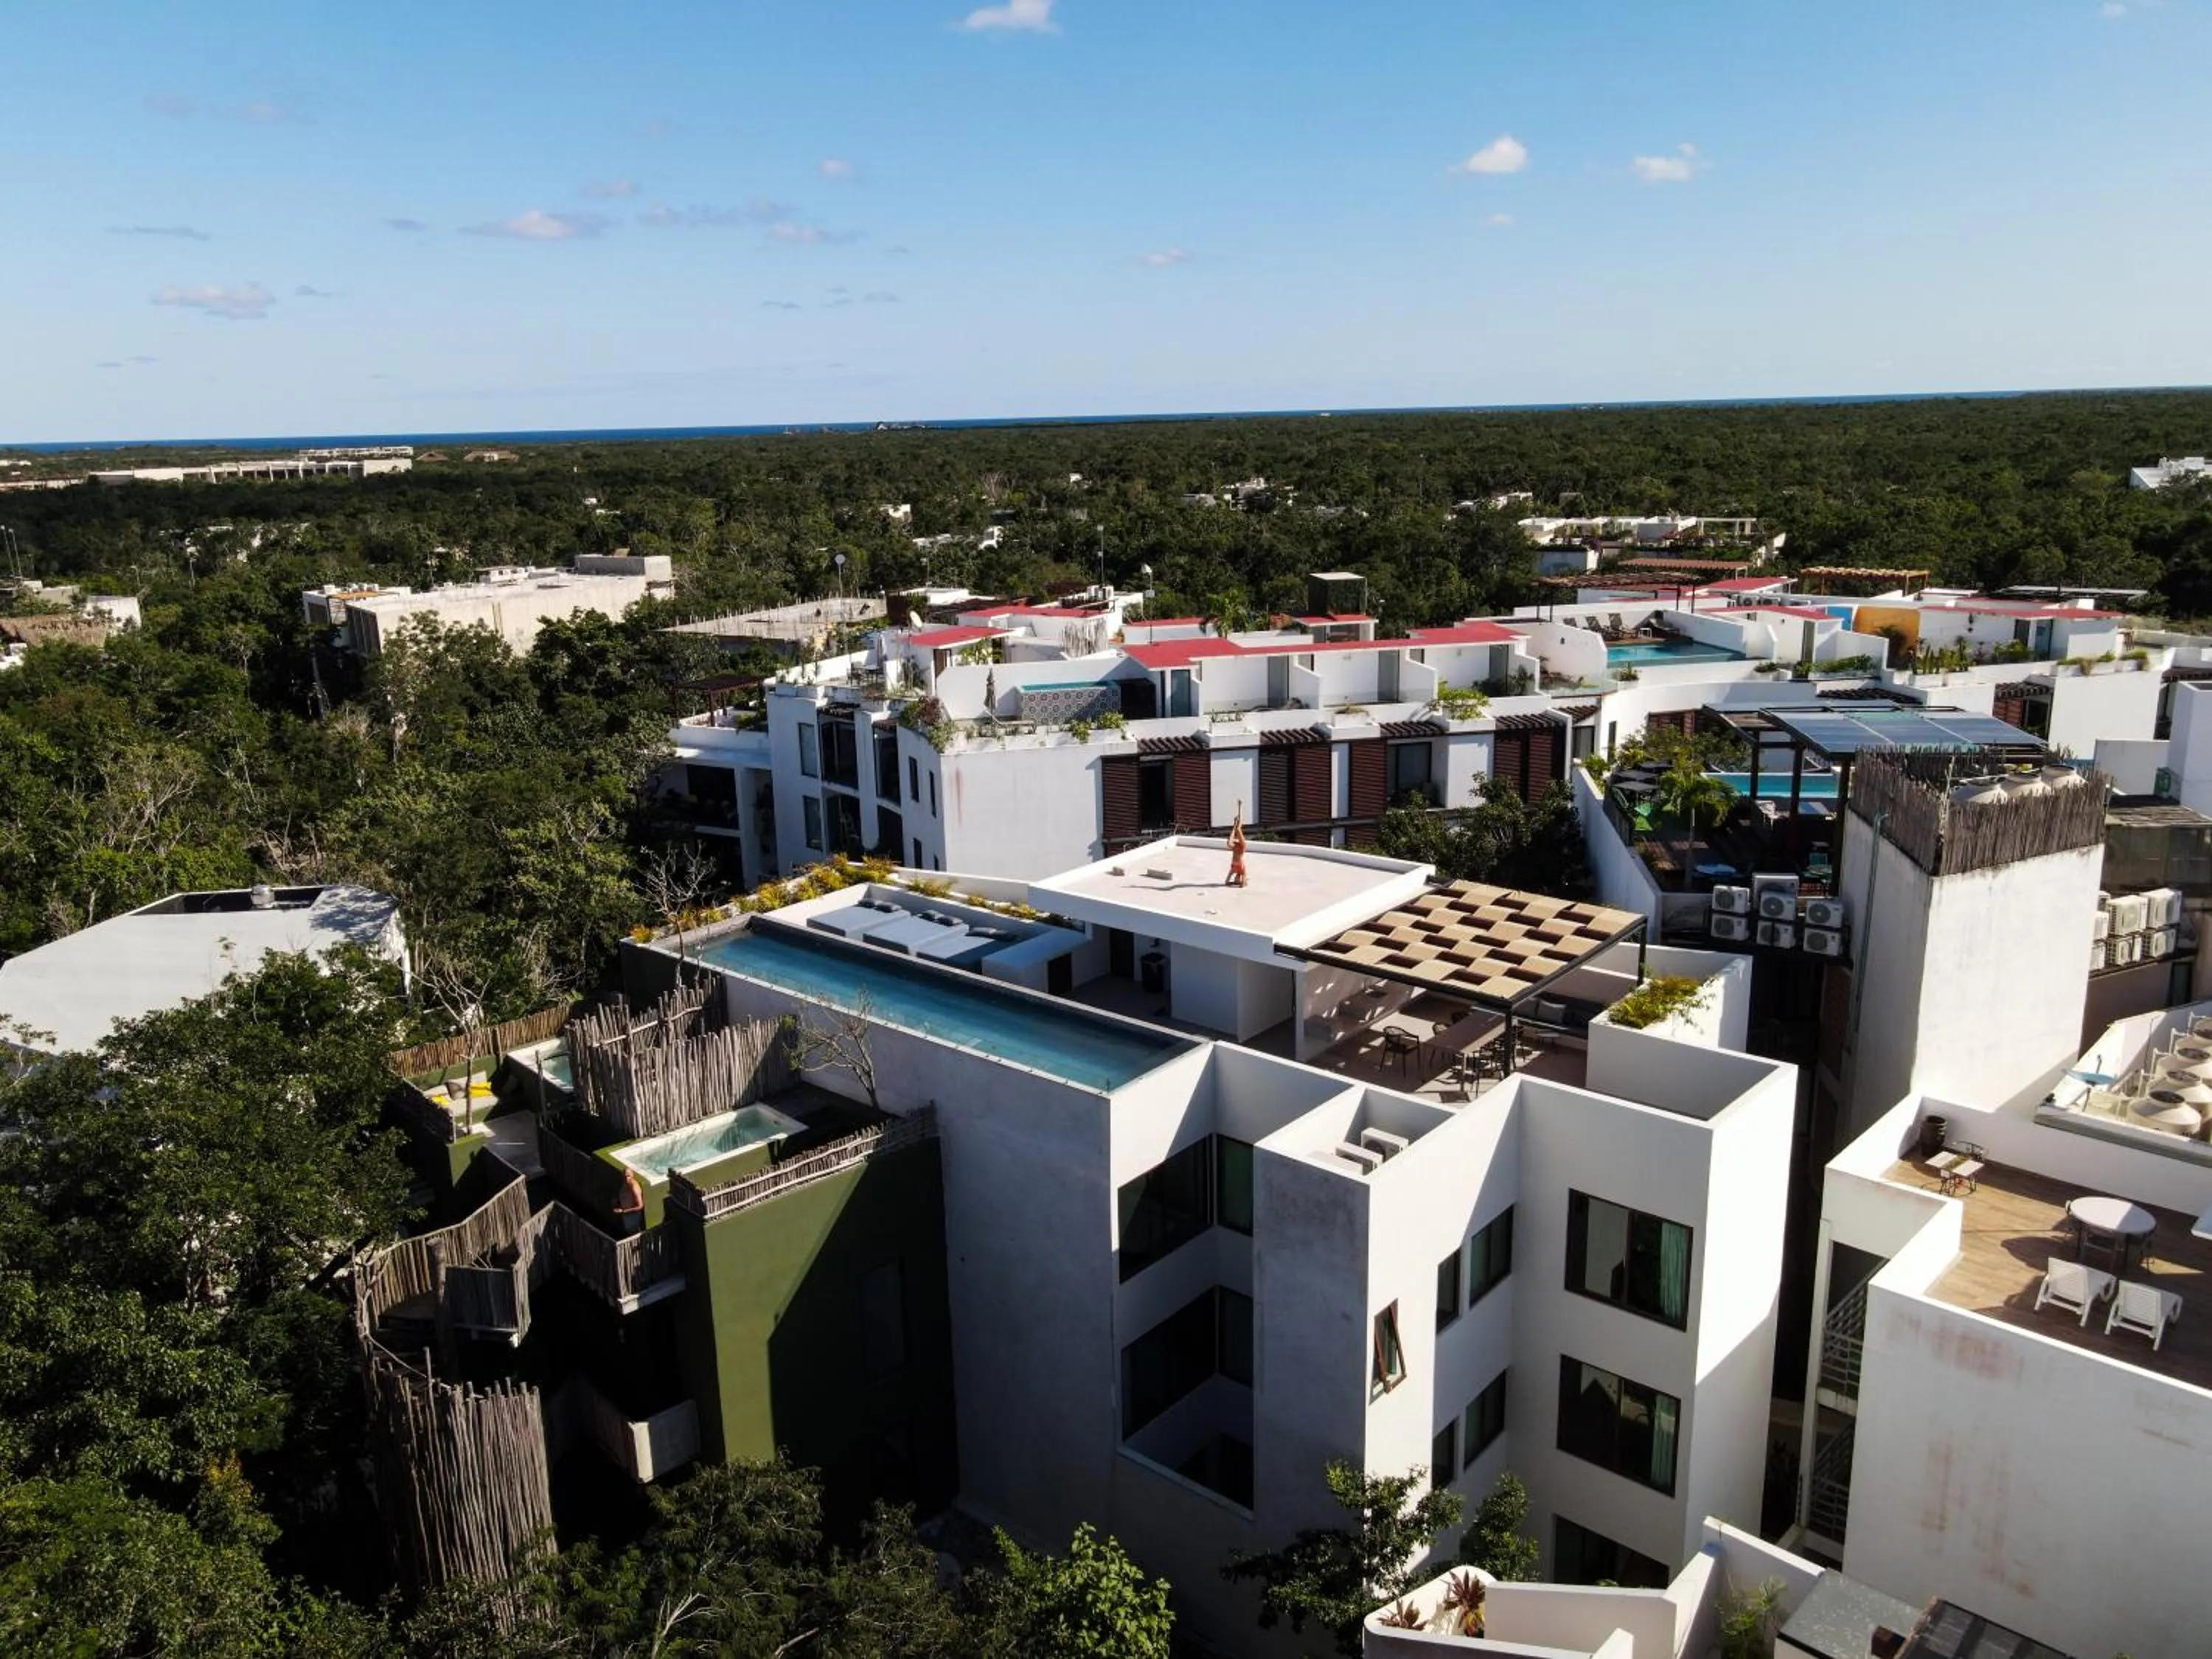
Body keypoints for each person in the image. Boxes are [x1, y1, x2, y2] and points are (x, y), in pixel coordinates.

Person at [614, 1166, 646, 1237]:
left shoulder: (634, 1187)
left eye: (628, 1176)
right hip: (627, 1217)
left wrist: (624, 1211)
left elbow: (640, 1206)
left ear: (632, 1175)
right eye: (625, 1176)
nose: (626, 1178)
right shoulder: (625, 1183)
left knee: (636, 1236)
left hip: (633, 1217)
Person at [1227, 803, 1249, 888]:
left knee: (1229, 843)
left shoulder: (1233, 870)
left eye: (1235, 879)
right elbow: (1242, 885)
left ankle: (1234, 825)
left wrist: (1232, 883)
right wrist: (1242, 883)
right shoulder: (1243, 871)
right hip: (1242, 847)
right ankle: (1240, 807)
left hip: (1236, 848)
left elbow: (1226, 881)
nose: (1236, 879)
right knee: (1239, 830)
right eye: (1238, 880)